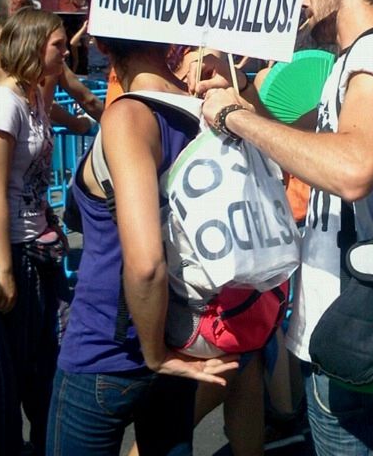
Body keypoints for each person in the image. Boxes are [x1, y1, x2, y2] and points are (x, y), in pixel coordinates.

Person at [188, 0, 373, 456]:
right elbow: (302, 147)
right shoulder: (359, 61)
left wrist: (232, 117)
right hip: (356, 328)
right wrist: (244, 94)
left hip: (353, 334)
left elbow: (351, 168)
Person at [46, 36, 238, 456]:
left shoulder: (130, 116)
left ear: (99, 40)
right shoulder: (201, 113)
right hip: (180, 336)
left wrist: (155, 354)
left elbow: (146, 262)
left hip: (109, 350)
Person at [0, 7, 72, 456]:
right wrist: (4, 270)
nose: (67, 50)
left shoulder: (34, 95)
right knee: (25, 369)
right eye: (58, 45)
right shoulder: (2, 103)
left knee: (50, 364)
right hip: (18, 254)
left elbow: (59, 105)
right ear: (33, 47)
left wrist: (81, 121)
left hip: (43, 249)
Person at [0, 0, 104, 129]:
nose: (66, 51)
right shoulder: (50, 59)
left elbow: (39, 104)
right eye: (58, 44)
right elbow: (88, 100)